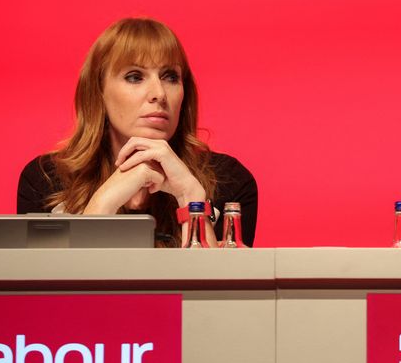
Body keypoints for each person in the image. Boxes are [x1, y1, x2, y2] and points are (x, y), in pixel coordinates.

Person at [17, 18, 258, 247]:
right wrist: (104, 202)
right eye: (135, 77)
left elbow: (217, 289)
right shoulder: (46, 180)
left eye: (170, 77)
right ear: (98, 91)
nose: (159, 94)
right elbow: (54, 287)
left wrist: (190, 196)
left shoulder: (229, 180)